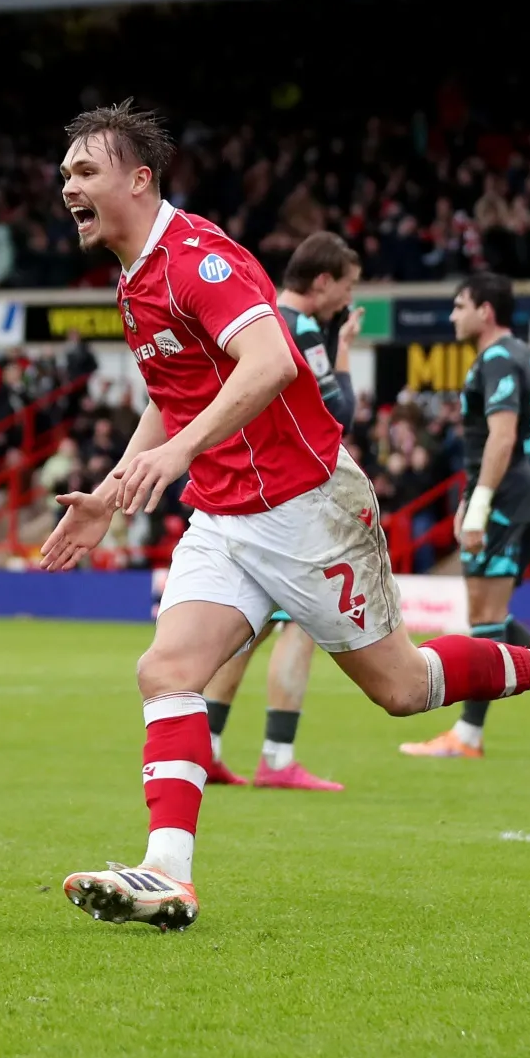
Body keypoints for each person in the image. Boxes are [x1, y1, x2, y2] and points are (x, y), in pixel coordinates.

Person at [41, 101, 530, 930]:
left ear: (139, 180)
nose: (66, 184)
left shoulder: (197, 260)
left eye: (84, 171)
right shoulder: (135, 280)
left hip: (307, 506)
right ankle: (166, 875)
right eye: (65, 172)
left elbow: (273, 361)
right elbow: (170, 397)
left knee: (404, 688)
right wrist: (110, 494)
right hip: (224, 516)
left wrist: (175, 456)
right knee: (166, 671)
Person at [198, 231, 359, 791]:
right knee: (302, 628)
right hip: (293, 494)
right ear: (322, 281)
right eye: (347, 285)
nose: (347, 298)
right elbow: (341, 410)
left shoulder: (253, 315)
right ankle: (277, 756)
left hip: (246, 485)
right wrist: (344, 351)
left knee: (251, 629)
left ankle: (208, 748)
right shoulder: (304, 328)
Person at [399, 273, 530, 760]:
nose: (452, 316)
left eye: (459, 306)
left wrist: (478, 505)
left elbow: (502, 437)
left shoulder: (499, 359)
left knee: (487, 618)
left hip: (509, 498)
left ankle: (470, 736)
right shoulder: (508, 356)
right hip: (504, 495)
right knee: (488, 618)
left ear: (486, 311)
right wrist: (469, 500)